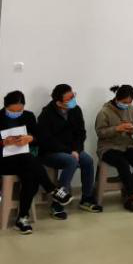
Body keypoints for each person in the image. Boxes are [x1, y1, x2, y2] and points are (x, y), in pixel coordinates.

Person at [0, 91, 71, 231]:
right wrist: (2, 143)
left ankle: (22, 218)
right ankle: (51, 189)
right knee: (29, 161)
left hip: (25, 161)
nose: (17, 113)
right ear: (5, 106)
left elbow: (40, 139)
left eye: (20, 110)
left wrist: (31, 138)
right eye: (12, 111)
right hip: (3, 162)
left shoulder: (28, 116)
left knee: (31, 173)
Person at [37, 84, 101, 213]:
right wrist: (69, 151)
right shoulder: (46, 114)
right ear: (59, 103)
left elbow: (81, 133)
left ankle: (86, 199)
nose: (73, 100)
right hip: (50, 152)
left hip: (72, 150)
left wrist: (76, 150)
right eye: (69, 98)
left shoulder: (76, 110)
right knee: (71, 161)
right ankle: (58, 202)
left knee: (88, 160)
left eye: (73, 96)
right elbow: (47, 141)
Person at [94, 86, 133, 212]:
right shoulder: (104, 112)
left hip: (127, 144)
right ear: (117, 98)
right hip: (108, 146)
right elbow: (100, 133)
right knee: (122, 163)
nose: (127, 105)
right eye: (124, 102)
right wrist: (117, 129)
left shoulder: (132, 110)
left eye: (130, 102)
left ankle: (130, 198)